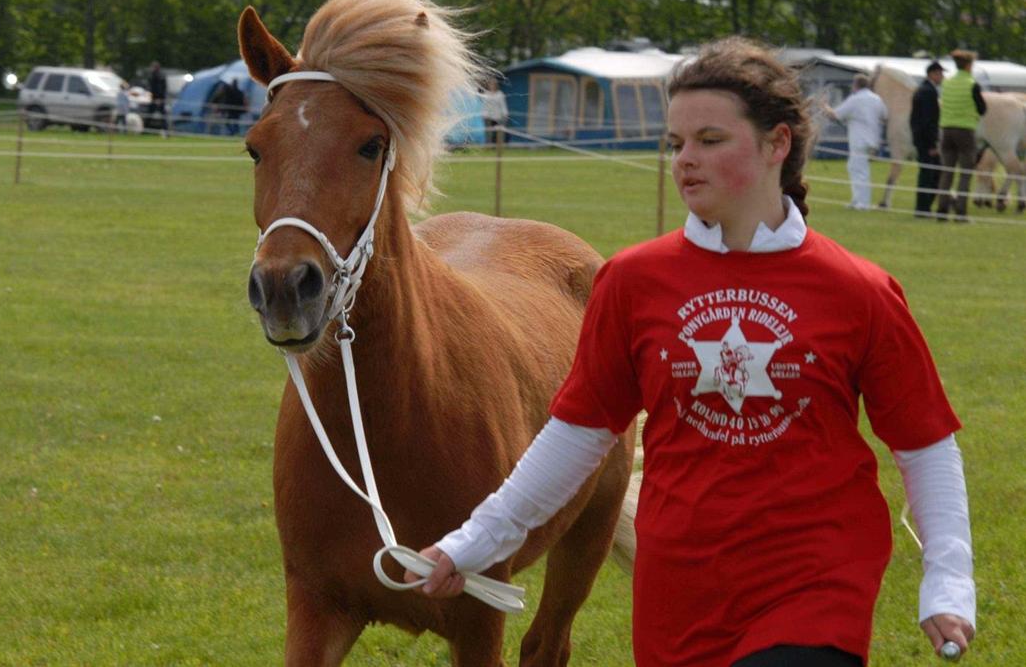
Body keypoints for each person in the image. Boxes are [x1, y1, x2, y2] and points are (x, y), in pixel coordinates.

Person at [409, 38, 976, 667]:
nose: (685, 160)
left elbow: (925, 445)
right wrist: (473, 541)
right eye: (676, 142)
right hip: (678, 593)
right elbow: (577, 435)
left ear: (777, 144)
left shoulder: (859, 290)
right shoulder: (631, 282)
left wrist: (949, 579)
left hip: (815, 582)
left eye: (710, 140)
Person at [935, 50, 986, 221]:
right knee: (965, 172)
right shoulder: (972, 84)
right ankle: (960, 211)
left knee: (947, 171)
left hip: (946, 130)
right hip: (965, 131)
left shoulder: (947, 83)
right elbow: (982, 109)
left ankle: (942, 210)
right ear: (969, 66)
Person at [825, 74, 887, 210]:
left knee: (860, 171)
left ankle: (863, 203)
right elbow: (884, 116)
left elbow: (835, 114)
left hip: (859, 139)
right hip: (872, 139)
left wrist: (825, 106)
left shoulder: (855, 99)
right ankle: (856, 199)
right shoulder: (877, 99)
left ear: (856, 85)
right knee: (854, 167)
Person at [910, 61, 945, 218]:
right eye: (939, 74)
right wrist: (932, 144)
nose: (942, 77)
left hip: (921, 139)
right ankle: (923, 208)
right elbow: (928, 120)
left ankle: (924, 207)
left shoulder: (923, 90)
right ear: (932, 74)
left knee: (930, 173)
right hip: (926, 141)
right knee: (929, 174)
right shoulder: (929, 92)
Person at [480, 77, 508, 147]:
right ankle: (488, 146)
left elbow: (503, 105)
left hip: (497, 117)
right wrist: (483, 114)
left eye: (493, 84)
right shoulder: (486, 94)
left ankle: (499, 146)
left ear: (496, 85)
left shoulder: (500, 94)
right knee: (488, 132)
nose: (492, 85)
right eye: (490, 84)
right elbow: (484, 105)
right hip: (487, 116)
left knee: (499, 132)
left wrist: (505, 114)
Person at [148, 61, 169, 137]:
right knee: (150, 114)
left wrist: (159, 98)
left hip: (158, 98)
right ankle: (147, 130)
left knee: (161, 115)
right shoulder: (156, 74)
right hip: (156, 97)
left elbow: (159, 88)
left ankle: (165, 132)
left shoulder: (158, 75)